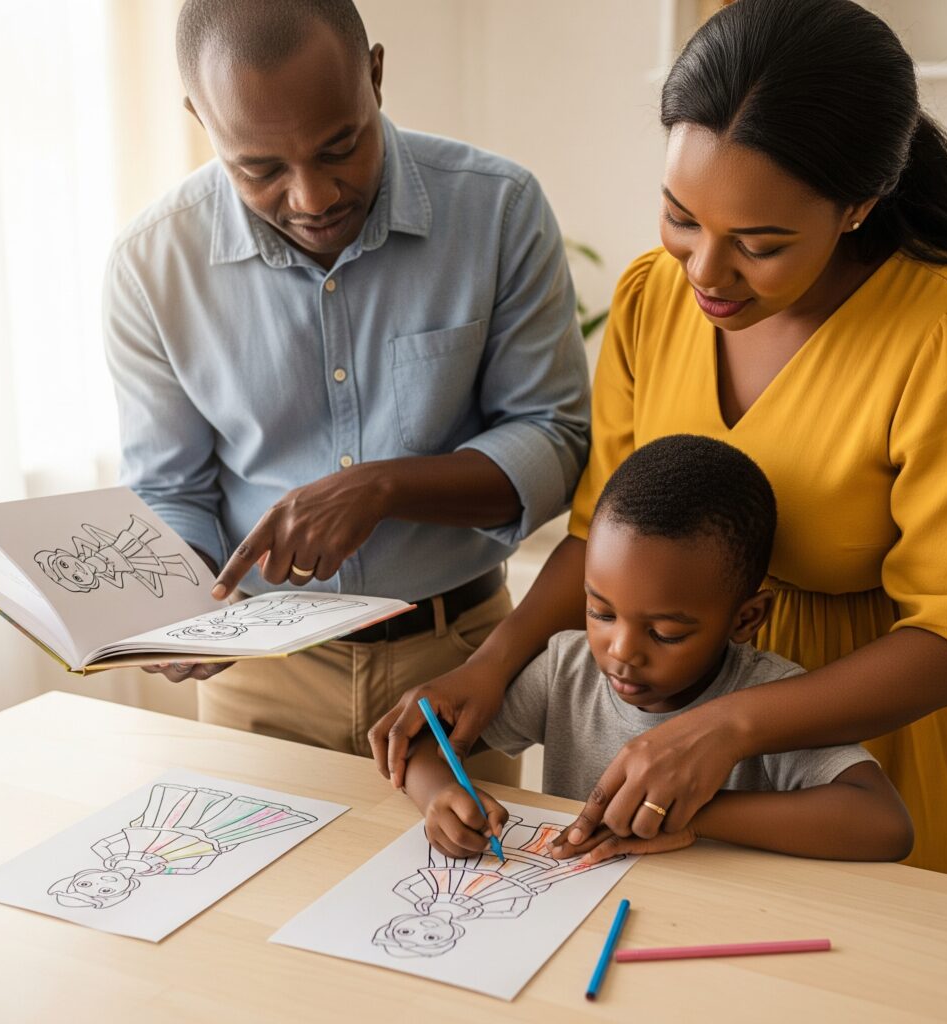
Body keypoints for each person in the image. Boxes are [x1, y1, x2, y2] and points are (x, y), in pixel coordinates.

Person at [371, 0, 947, 881]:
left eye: (760, 244)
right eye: (681, 217)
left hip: (866, 772)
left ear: (857, 207)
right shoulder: (651, 299)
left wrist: (722, 729)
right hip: (669, 768)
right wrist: (491, 665)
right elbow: (598, 535)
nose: (705, 272)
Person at [103, 0, 590, 774]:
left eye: (341, 148)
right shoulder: (151, 263)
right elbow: (170, 487)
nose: (313, 197)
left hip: (457, 666)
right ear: (200, 118)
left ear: (375, 74)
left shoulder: (498, 209)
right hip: (261, 682)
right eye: (260, 169)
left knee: (464, 891)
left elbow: (556, 441)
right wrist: (183, 603)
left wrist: (384, 487)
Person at [400, 436, 913, 866]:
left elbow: (884, 825)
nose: (622, 652)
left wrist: (692, 813)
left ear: (746, 619)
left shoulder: (769, 694)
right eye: (600, 612)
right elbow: (427, 742)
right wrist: (440, 795)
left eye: (666, 633)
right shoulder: (567, 670)